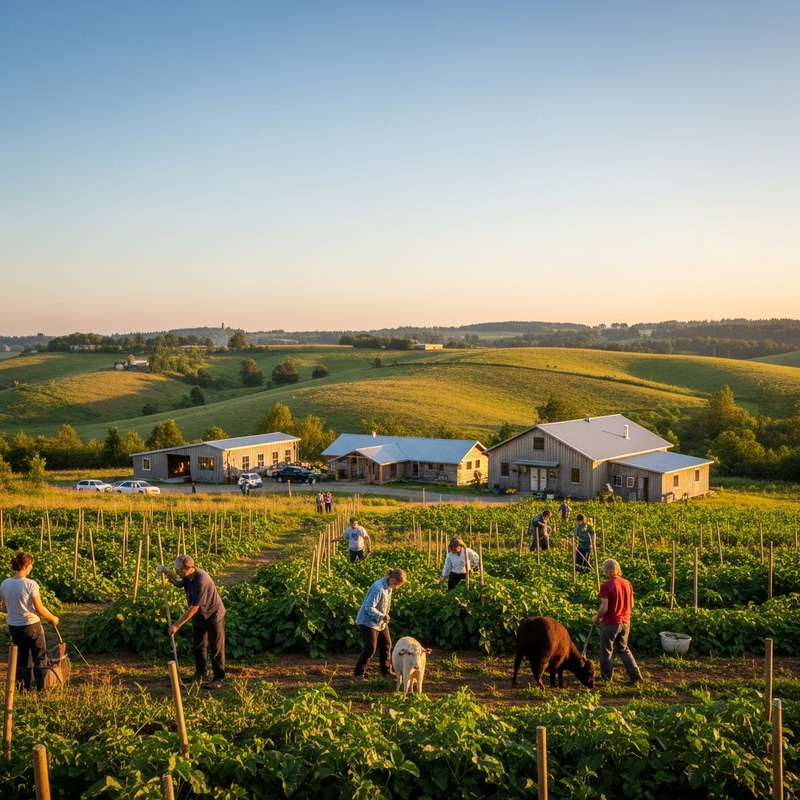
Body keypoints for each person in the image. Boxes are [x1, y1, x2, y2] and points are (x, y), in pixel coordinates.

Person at [157, 555, 226, 689]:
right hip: (199, 617)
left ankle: (218, 678)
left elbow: (194, 607)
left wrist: (177, 625)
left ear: (188, 568)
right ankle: (200, 673)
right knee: (198, 646)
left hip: (213, 615)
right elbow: (179, 583)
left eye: (179, 570)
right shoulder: (188, 576)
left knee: (216, 647)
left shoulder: (201, 580)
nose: (178, 572)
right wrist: (166, 572)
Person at [0, 553, 60, 691]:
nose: (31, 568)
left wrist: (11, 610)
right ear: (26, 566)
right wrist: (53, 618)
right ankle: (41, 689)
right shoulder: (30, 584)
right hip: (31, 624)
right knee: (39, 656)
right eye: (31, 565)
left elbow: (3, 605)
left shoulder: (5, 583)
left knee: (21, 657)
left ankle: (22, 688)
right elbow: (39, 608)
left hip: (14, 625)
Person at [591, 559, 642, 685]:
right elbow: (631, 604)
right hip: (625, 622)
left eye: (604, 570)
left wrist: (596, 617)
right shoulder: (627, 583)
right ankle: (636, 676)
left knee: (606, 652)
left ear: (607, 570)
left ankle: (606, 678)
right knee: (624, 649)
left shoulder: (606, 586)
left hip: (611, 623)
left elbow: (604, 608)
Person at [353, 568, 407, 681]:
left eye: (398, 585)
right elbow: (368, 607)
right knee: (370, 648)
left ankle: (385, 671)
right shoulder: (379, 588)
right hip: (367, 621)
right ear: (391, 578)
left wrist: (384, 616)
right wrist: (381, 616)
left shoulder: (389, 586)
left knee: (386, 644)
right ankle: (358, 674)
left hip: (380, 622)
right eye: (395, 584)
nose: (396, 587)